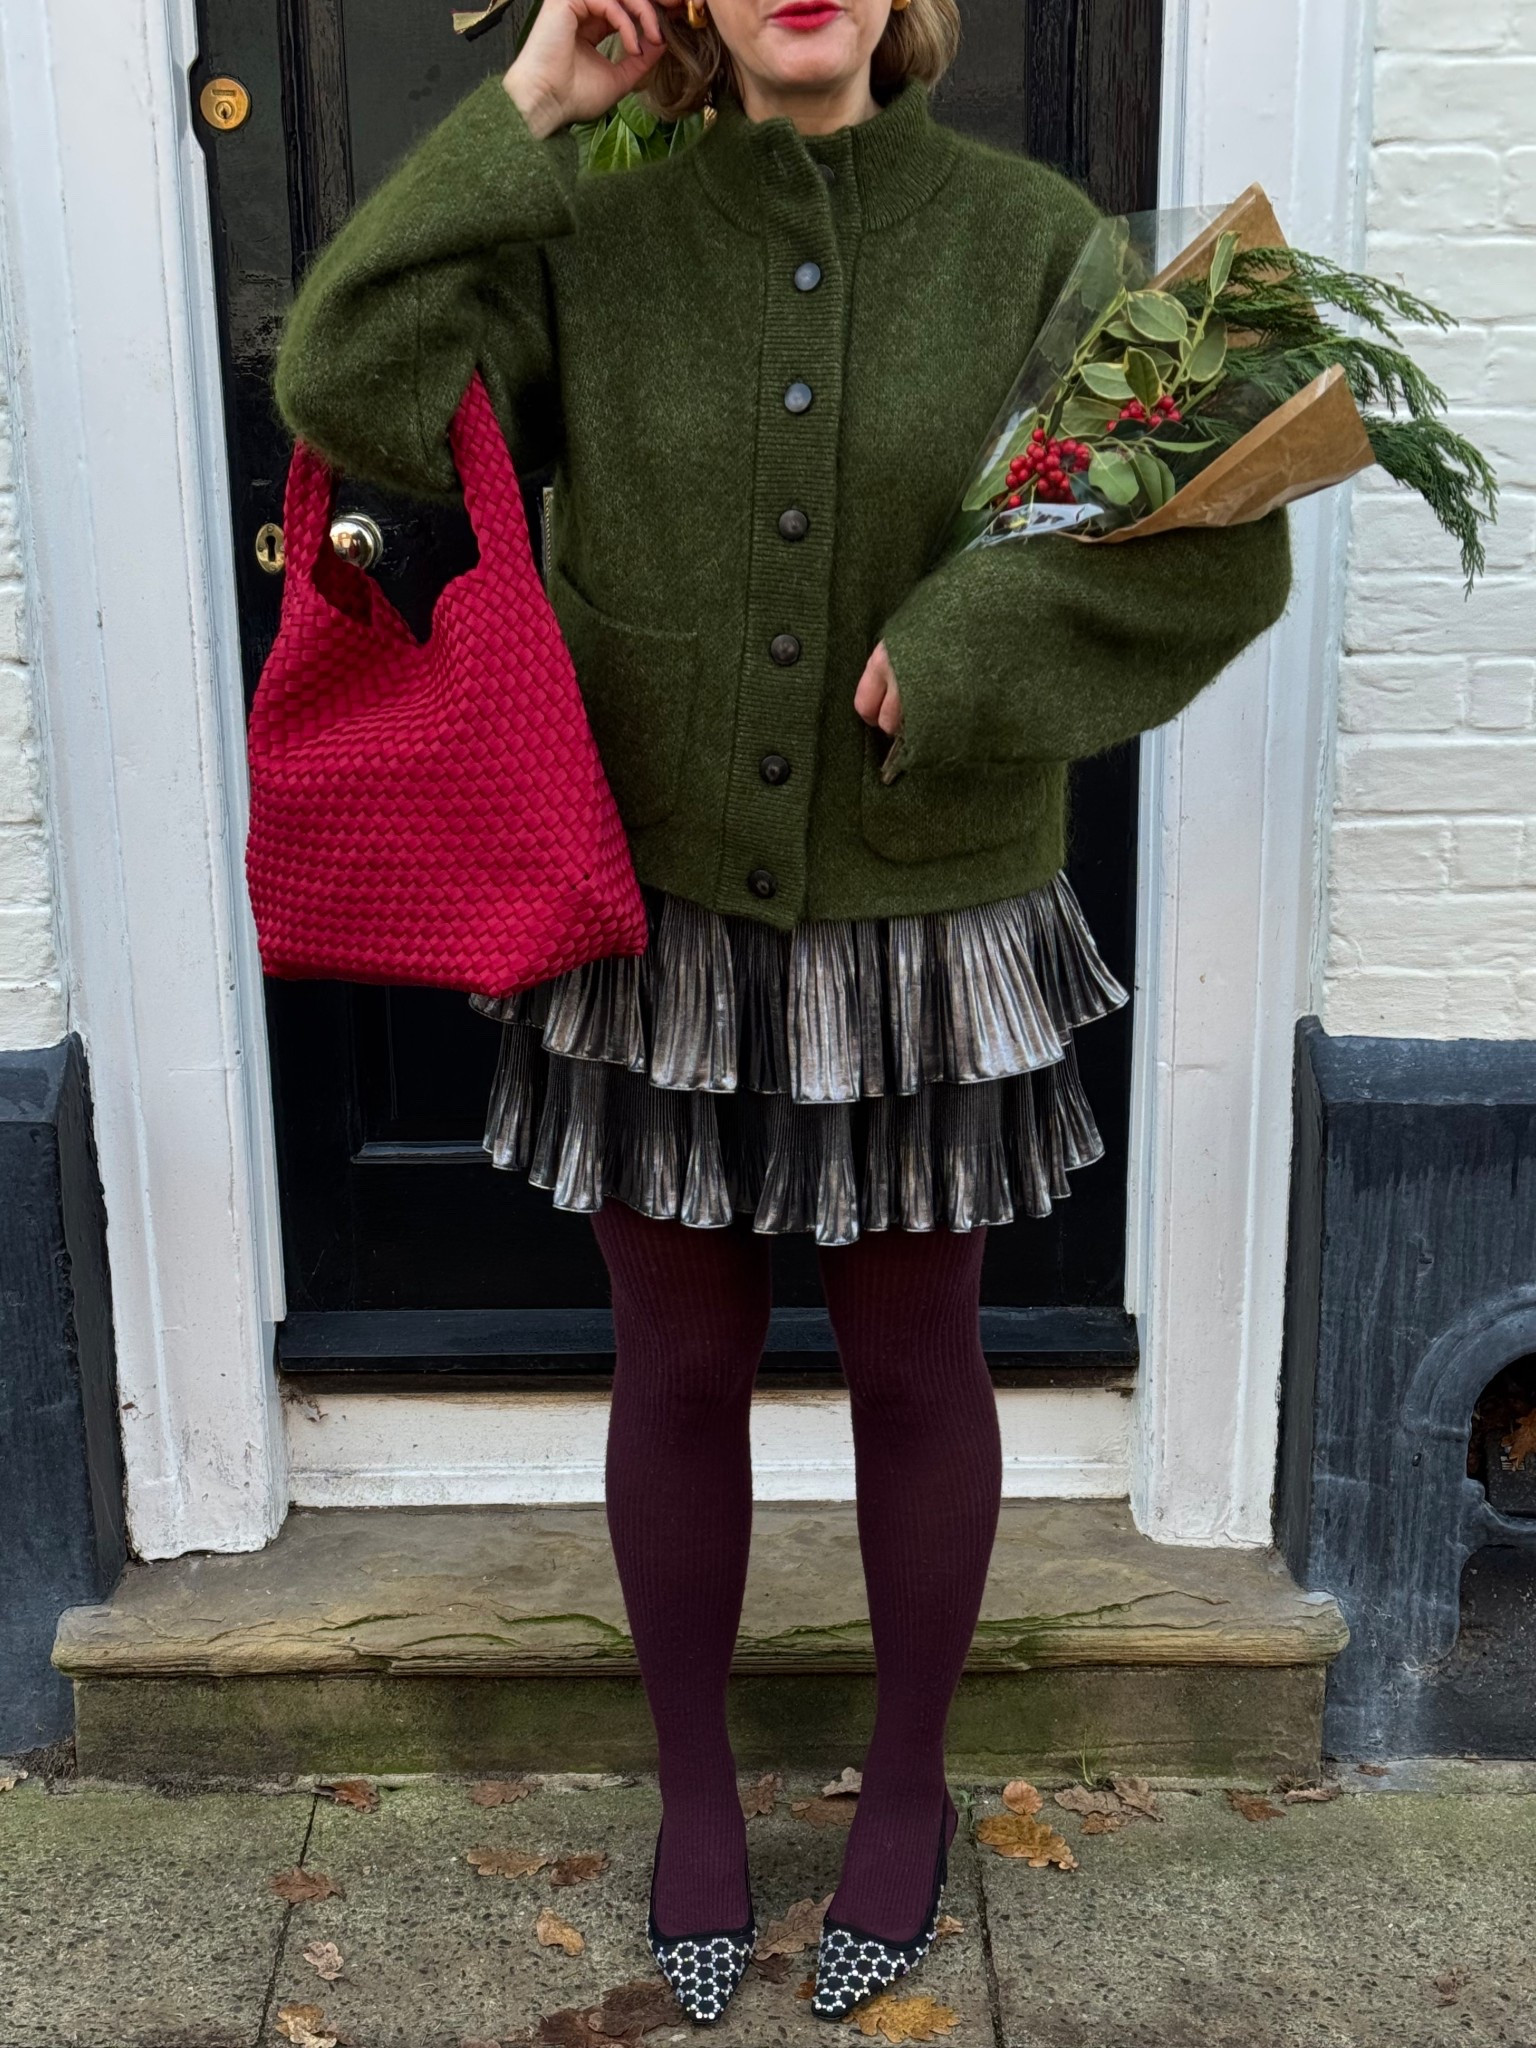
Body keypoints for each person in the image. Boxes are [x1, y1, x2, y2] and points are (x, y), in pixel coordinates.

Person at [273, 0, 1291, 2022]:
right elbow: (345, 384)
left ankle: (905, 1787)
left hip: (932, 922)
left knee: (923, 1361)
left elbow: (1226, 522)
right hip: (652, 916)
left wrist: (974, 634)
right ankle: (697, 1803)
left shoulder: (1042, 239)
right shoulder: (593, 234)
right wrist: (541, 102)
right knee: (674, 1362)